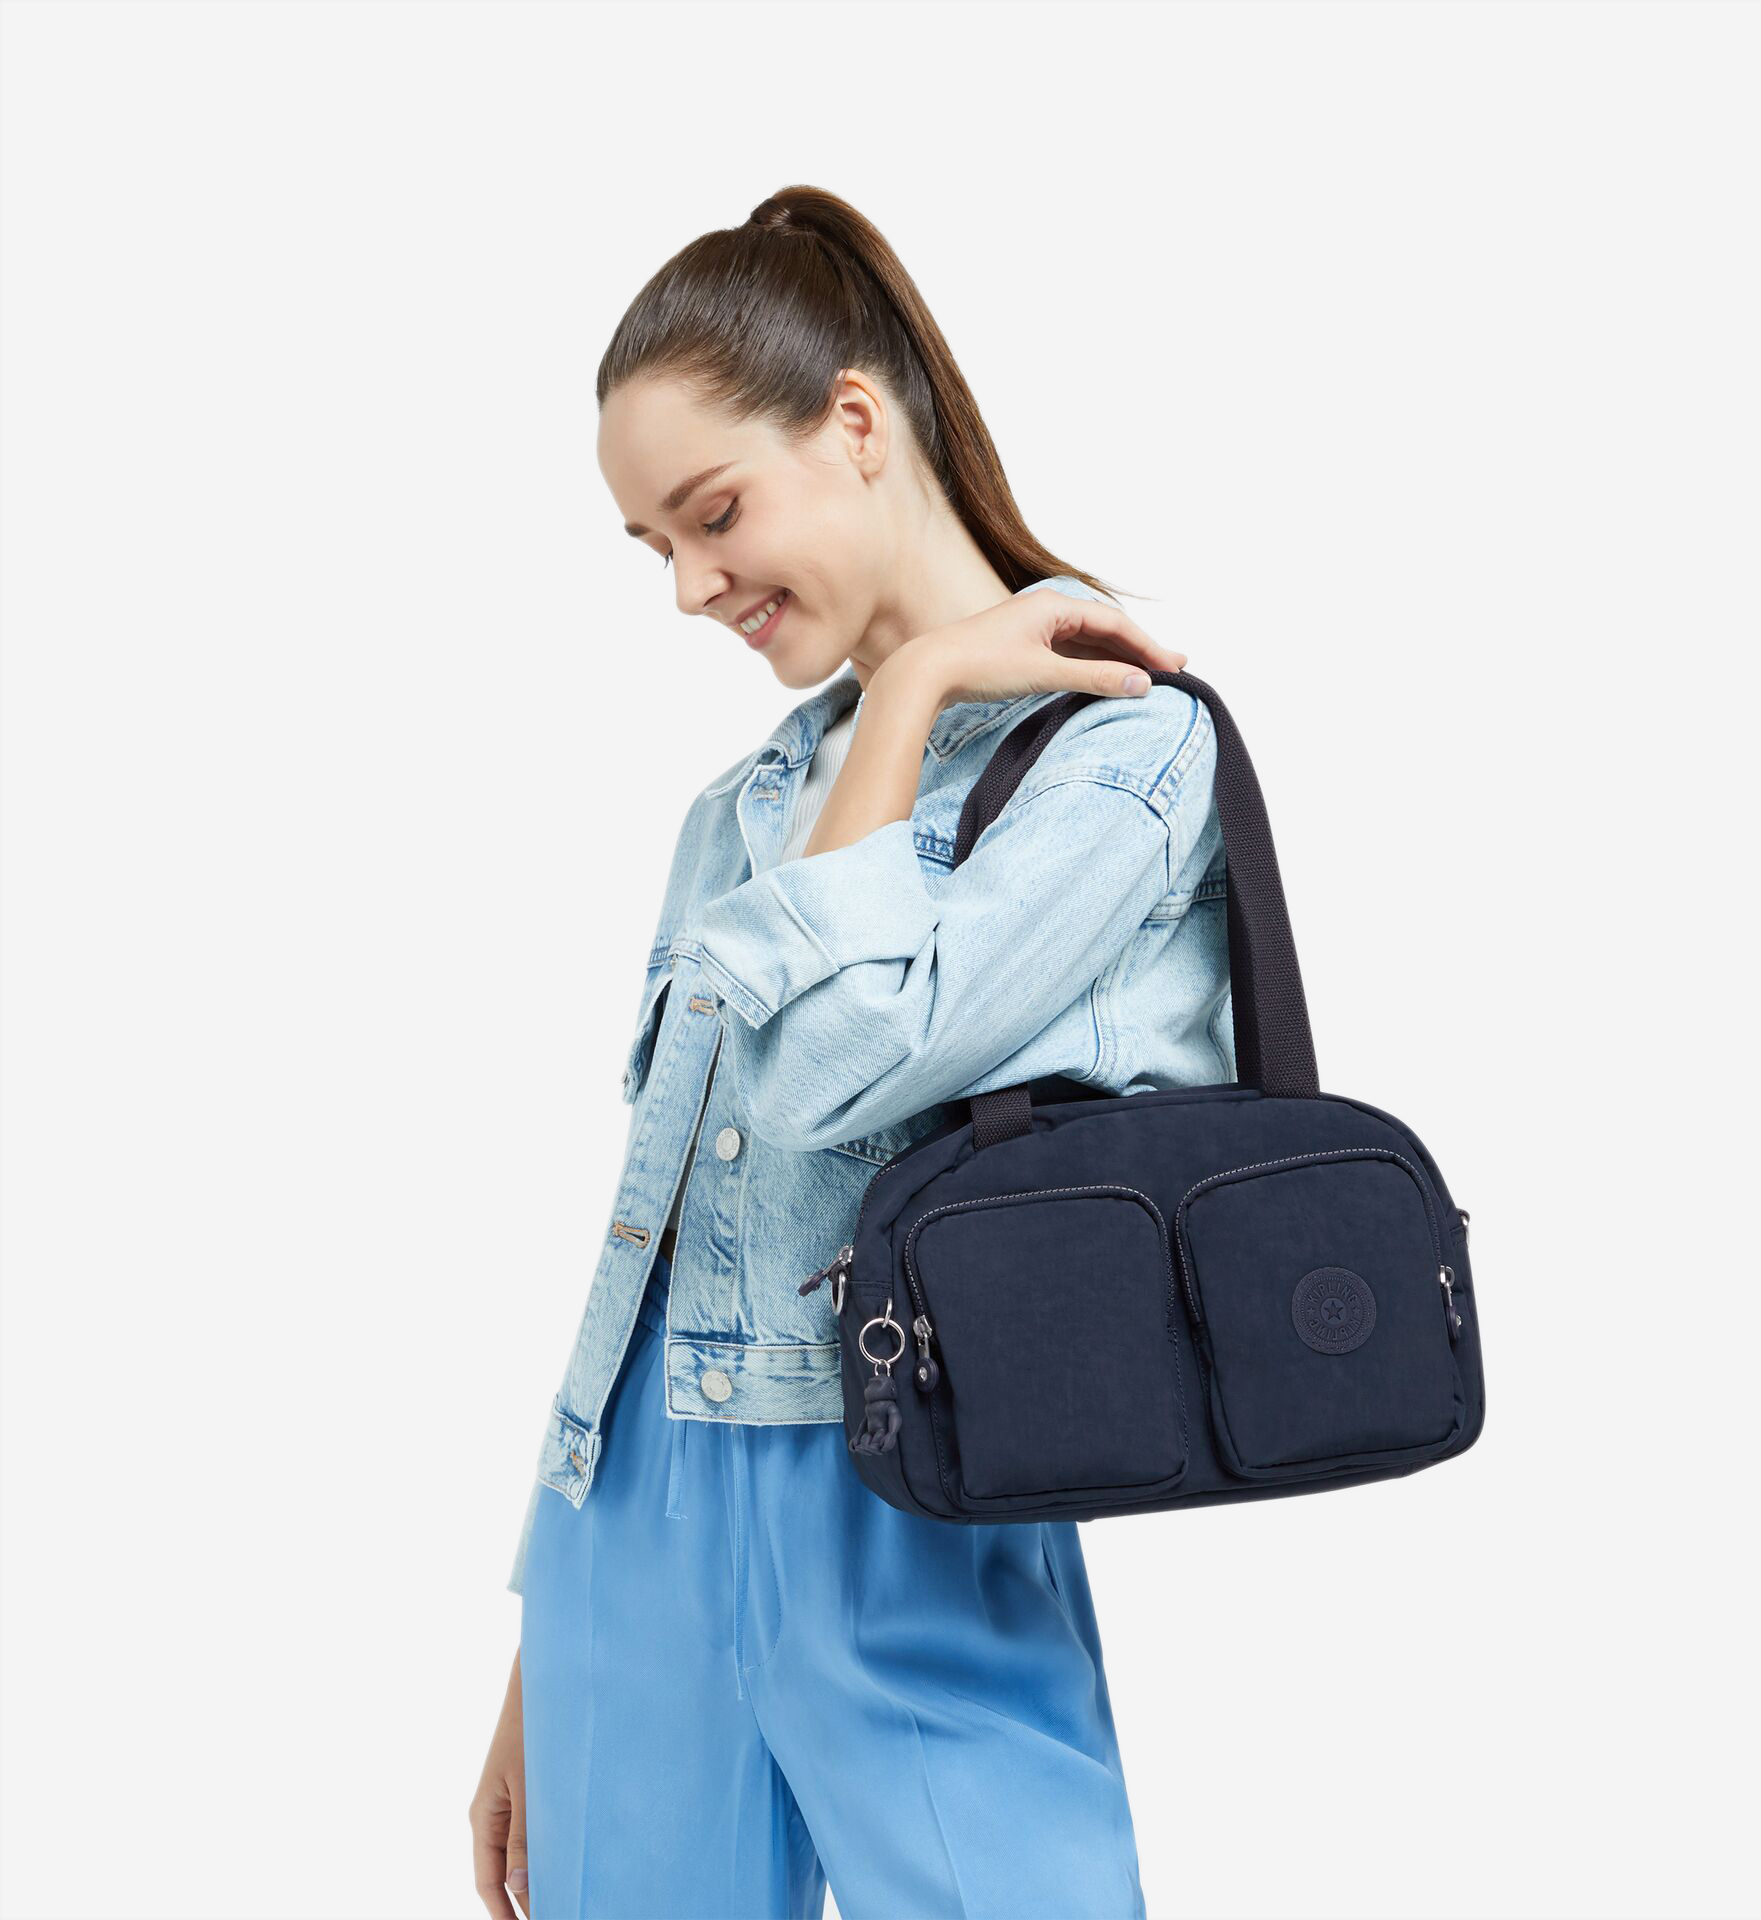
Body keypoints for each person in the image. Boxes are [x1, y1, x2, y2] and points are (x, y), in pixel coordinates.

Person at [470, 184, 1230, 1920]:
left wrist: (912, 695)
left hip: (917, 1506)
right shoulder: (733, 812)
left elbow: (833, 1069)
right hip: (632, 1520)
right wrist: (543, 1634)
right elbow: (660, 1233)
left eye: (713, 513)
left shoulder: (1123, 754)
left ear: (859, 424)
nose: (690, 586)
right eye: (653, 546)